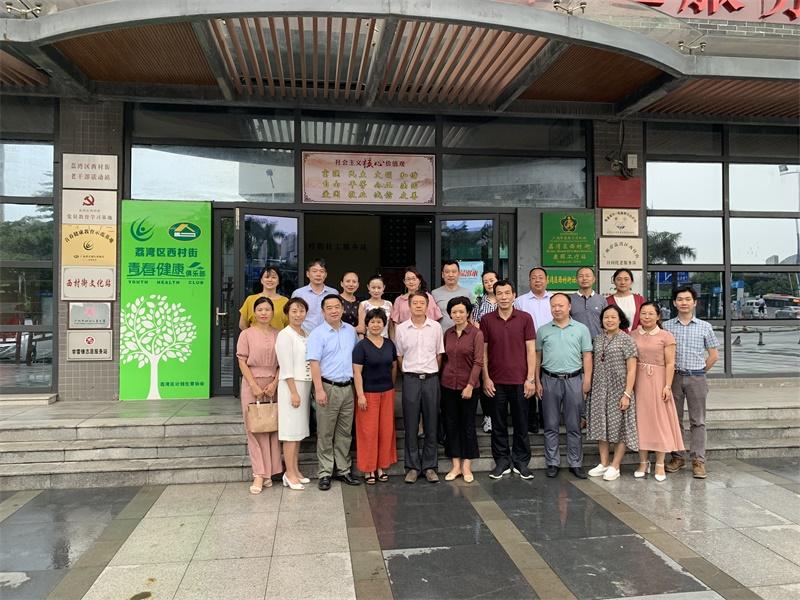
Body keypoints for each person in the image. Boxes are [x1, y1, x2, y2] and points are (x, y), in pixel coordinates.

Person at [480, 279, 537, 480]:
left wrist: (530, 379)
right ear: (494, 296)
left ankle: (521, 462)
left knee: (521, 423)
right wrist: (486, 378)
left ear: (514, 295)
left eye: (507, 293)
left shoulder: (525, 318)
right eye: (499, 293)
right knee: (498, 424)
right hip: (496, 381)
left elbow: (531, 350)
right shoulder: (487, 320)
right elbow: (483, 352)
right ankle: (502, 461)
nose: (503, 297)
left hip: (521, 381)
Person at [663, 285, 719, 479]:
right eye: (680, 299)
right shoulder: (667, 326)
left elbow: (713, 355)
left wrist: (701, 371)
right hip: (674, 377)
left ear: (694, 303)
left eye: (688, 299)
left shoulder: (705, 326)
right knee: (674, 419)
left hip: (697, 377)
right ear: (674, 303)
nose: (684, 303)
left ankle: (698, 460)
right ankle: (677, 457)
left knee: (698, 420)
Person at [536, 293, 593, 479]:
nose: (557, 309)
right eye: (553, 306)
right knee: (550, 425)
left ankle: (575, 463)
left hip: (574, 380)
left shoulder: (581, 329)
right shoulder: (543, 330)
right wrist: (537, 381)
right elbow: (537, 357)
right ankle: (552, 462)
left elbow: (587, 356)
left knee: (574, 425)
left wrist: (587, 380)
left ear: (569, 307)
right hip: (549, 380)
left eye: (561, 305)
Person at [307, 294, 361, 490]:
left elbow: (357, 359)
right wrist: (319, 390)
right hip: (327, 387)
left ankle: (344, 470)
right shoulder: (317, 334)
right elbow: (314, 363)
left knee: (345, 432)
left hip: (348, 388)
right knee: (325, 432)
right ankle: (325, 472)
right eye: (329, 307)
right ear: (323, 311)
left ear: (342, 309)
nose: (334, 310)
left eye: (337, 306)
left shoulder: (350, 331)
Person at [394, 291, 445, 484]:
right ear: (409, 306)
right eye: (414, 303)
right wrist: (409, 373)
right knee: (411, 424)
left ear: (427, 305)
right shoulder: (401, 329)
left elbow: (439, 354)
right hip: (411, 379)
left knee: (431, 423)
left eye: (421, 303)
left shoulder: (435, 327)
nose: (418, 306)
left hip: (431, 379)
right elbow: (399, 355)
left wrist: (430, 372)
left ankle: (430, 467)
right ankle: (413, 467)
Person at [631, 301, 685, 482]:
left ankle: (660, 463)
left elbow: (670, 363)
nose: (646, 317)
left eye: (650, 313)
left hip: (658, 381)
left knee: (659, 421)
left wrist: (667, 385)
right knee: (641, 421)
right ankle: (643, 462)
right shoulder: (633, 334)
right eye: (643, 313)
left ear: (658, 316)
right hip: (638, 381)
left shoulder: (666, 336)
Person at [586, 305, 638, 481]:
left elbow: (632, 369)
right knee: (601, 426)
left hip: (619, 389)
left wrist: (627, 394)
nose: (609, 320)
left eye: (613, 317)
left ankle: (615, 466)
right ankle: (604, 463)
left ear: (620, 319)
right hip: (599, 388)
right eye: (606, 317)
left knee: (620, 427)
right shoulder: (597, 339)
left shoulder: (627, 340)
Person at [236, 297, 282, 494]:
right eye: (260, 309)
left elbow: (283, 362)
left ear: (273, 312)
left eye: (267, 309)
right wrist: (254, 385)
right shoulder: (246, 334)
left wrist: (275, 383)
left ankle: (269, 472)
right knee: (254, 428)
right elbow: (242, 361)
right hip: (251, 384)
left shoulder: (279, 334)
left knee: (271, 428)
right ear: (254, 313)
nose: (264, 313)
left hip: (273, 384)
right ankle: (259, 474)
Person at [352, 308, 398, 484]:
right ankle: (369, 468)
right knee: (368, 432)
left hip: (387, 392)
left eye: (379, 321)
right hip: (368, 394)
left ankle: (381, 466)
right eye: (372, 322)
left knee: (386, 431)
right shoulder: (361, 346)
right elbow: (357, 373)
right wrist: (360, 395)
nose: (376, 325)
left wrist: (391, 387)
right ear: (367, 324)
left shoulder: (389, 344)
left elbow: (394, 367)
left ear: (384, 324)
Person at [441, 297, 484, 483]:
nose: (457, 315)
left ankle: (467, 465)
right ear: (450, 314)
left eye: (461, 311)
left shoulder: (476, 334)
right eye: (454, 312)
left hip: (469, 387)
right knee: (451, 424)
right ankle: (455, 464)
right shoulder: (447, 333)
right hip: (448, 385)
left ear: (468, 313)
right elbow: (444, 359)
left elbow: (478, 362)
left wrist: (470, 385)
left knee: (467, 425)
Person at [275, 297, 312, 490]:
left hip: (304, 385)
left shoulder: (305, 333)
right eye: (294, 311)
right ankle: (289, 473)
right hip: (291, 386)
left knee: (298, 432)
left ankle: (295, 470)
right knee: (290, 432)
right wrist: (293, 392)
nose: (298, 315)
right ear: (287, 314)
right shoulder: (285, 335)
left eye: (301, 311)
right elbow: (286, 366)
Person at [514, 267, 552, 433]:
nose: (538, 280)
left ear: (547, 280)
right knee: (529, 383)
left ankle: (546, 419)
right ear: (529, 281)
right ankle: (531, 421)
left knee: (546, 384)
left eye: (541, 277)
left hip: (550, 349)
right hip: (527, 349)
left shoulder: (554, 299)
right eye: (534, 278)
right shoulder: (520, 301)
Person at [471, 270, 499, 433]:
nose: (489, 284)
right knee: (485, 381)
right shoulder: (479, 302)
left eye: (491, 280)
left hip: (502, 348)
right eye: (486, 281)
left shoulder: (507, 300)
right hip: (484, 347)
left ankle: (498, 416)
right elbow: (474, 324)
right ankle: (488, 416)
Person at [292, 258, 338, 332]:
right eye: (314, 271)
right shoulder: (298, 294)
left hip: (329, 334)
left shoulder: (333, 293)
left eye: (321, 271)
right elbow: (293, 317)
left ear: (326, 275)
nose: (318, 274)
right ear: (308, 274)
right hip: (305, 335)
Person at [239, 266, 288, 331]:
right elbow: (242, 324)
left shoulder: (285, 301)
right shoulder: (250, 300)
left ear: (278, 281)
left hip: (278, 337)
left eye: (273, 277)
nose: (270, 280)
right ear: (261, 280)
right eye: (267, 277)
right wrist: (251, 335)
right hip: (255, 337)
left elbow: (289, 326)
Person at [432, 260, 473, 331]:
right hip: (442, 334)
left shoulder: (467, 293)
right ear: (442, 274)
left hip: (463, 335)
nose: (450, 275)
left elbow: (470, 317)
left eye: (454, 272)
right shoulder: (434, 293)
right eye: (447, 272)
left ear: (459, 274)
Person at [570, 266, 607, 340]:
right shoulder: (570, 299)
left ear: (594, 279)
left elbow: (606, 321)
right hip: (575, 341)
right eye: (581, 276)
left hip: (598, 341)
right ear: (576, 280)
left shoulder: (601, 299)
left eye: (588, 276)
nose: (584, 278)